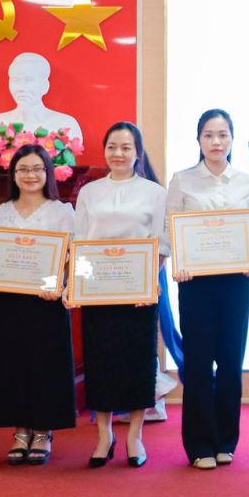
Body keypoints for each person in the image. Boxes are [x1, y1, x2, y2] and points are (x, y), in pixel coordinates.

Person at [165, 109, 249, 470]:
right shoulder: (182, 180)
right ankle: (200, 444)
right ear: (199, 140)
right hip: (196, 284)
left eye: (223, 135)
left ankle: (226, 441)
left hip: (237, 282)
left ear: (232, 139)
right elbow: (171, 230)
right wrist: (178, 261)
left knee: (232, 363)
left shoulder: (246, 182)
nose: (216, 142)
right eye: (209, 135)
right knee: (199, 363)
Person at [73, 121, 167, 469]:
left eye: (126, 147)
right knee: (101, 363)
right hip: (99, 292)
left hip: (138, 292)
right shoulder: (89, 192)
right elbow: (79, 242)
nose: (118, 153)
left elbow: (161, 243)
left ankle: (135, 436)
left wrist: (149, 281)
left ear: (137, 153)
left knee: (138, 362)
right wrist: (80, 285)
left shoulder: (154, 192)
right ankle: (104, 435)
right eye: (112, 146)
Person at [0, 143, 76, 465]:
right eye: (22, 169)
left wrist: (60, 286)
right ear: (13, 175)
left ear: (48, 173)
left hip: (47, 301)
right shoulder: (0, 212)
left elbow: (72, 257)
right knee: (14, 364)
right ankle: (21, 430)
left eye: (37, 168)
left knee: (46, 365)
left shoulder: (62, 211)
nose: (30, 175)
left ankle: (44, 431)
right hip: (10, 301)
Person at [0, 52, 83, 146]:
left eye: (29, 80)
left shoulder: (65, 125)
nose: (21, 88)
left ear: (45, 85)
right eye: (16, 80)